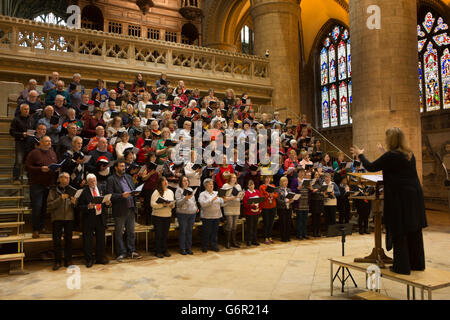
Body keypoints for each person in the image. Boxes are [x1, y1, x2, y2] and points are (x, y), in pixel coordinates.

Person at [351, 127, 427, 275]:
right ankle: (417, 264)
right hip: (414, 196)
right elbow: (396, 165)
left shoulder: (391, 156)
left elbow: (371, 167)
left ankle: (402, 267)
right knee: (413, 230)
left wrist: (361, 155)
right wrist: (384, 153)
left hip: (400, 197)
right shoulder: (408, 154)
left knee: (400, 229)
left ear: (390, 140)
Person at [106, 161, 142, 261]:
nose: (124, 168)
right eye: (121, 166)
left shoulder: (129, 177)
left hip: (131, 208)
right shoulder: (111, 179)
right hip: (120, 209)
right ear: (116, 168)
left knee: (131, 232)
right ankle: (121, 252)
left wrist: (136, 193)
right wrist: (121, 196)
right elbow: (110, 195)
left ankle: (132, 251)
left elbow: (132, 189)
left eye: (124, 166)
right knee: (119, 233)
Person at [25, 136, 58, 238]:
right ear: (41, 142)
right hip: (36, 185)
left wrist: (56, 169)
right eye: (47, 141)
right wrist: (40, 169)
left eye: (50, 141)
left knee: (44, 208)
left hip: (48, 184)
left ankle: (42, 227)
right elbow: (27, 167)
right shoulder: (34, 153)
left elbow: (55, 164)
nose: (49, 143)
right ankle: (35, 229)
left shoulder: (52, 153)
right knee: (37, 207)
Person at [77, 174, 110, 267]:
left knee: (101, 239)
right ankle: (89, 259)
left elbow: (105, 203)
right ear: (87, 182)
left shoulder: (101, 188)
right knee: (88, 241)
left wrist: (107, 203)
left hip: (100, 217)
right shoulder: (84, 192)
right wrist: (87, 206)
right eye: (91, 181)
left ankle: (100, 258)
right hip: (89, 219)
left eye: (94, 180)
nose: (93, 183)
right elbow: (78, 207)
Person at [47, 172, 76, 270]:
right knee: (57, 241)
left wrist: (74, 202)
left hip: (69, 218)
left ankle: (68, 260)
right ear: (59, 179)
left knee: (69, 240)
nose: (66, 180)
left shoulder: (72, 190)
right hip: (57, 218)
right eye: (64, 178)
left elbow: (76, 205)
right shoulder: (53, 190)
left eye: (68, 178)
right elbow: (49, 205)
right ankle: (57, 261)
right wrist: (60, 198)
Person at [151, 176, 175, 258]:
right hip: (158, 216)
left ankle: (164, 250)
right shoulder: (156, 192)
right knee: (159, 234)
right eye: (163, 181)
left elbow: (173, 203)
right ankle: (158, 251)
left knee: (165, 234)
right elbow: (153, 204)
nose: (166, 182)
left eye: (166, 180)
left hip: (167, 215)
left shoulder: (170, 191)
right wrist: (162, 205)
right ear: (160, 183)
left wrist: (172, 205)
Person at [10, 103, 33, 183]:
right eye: (25, 109)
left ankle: (29, 179)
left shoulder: (31, 119)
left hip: (29, 142)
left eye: (28, 109)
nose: (27, 111)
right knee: (19, 161)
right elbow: (12, 132)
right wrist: (22, 134)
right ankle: (16, 178)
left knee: (29, 161)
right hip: (20, 142)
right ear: (21, 110)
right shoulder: (16, 119)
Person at [198, 178, 223, 252]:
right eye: (209, 184)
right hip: (207, 216)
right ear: (205, 186)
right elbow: (203, 204)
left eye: (212, 184)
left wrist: (225, 199)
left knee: (214, 232)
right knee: (206, 232)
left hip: (216, 215)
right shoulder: (202, 194)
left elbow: (221, 203)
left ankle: (214, 245)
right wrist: (212, 199)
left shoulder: (216, 193)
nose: (211, 185)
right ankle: (204, 246)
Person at [175, 176, 198, 255]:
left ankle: (188, 248)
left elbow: (194, 201)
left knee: (189, 231)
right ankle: (182, 248)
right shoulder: (179, 190)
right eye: (184, 181)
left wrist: (196, 207)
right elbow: (178, 203)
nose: (186, 182)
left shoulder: (190, 189)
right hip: (182, 214)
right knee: (183, 231)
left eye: (187, 180)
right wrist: (186, 198)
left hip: (192, 213)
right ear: (181, 182)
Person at [222, 173, 242, 249]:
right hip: (228, 207)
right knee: (229, 224)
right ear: (229, 178)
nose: (234, 179)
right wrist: (232, 198)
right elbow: (223, 197)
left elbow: (239, 196)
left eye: (235, 177)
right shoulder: (225, 186)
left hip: (236, 207)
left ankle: (234, 241)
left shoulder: (238, 186)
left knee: (235, 225)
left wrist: (241, 196)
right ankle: (227, 242)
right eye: (232, 177)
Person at [290, 169, 310, 239]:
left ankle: (304, 233)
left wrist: (310, 188)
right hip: (299, 202)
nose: (302, 174)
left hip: (306, 202)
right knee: (299, 219)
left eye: (303, 172)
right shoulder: (295, 180)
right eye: (301, 172)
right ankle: (299, 234)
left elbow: (309, 191)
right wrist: (298, 188)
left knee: (305, 219)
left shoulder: (306, 180)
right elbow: (292, 190)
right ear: (298, 173)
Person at [259, 175, 278, 245]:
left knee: (271, 222)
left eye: (269, 178)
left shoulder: (272, 185)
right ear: (264, 179)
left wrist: (273, 195)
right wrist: (268, 195)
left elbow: (276, 195)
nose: (267, 179)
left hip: (272, 206)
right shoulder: (262, 187)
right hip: (265, 207)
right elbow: (261, 197)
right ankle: (265, 237)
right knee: (266, 222)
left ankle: (270, 236)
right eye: (266, 178)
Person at [243, 179, 262, 246]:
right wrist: (250, 205)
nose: (251, 186)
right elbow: (245, 204)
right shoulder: (246, 193)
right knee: (249, 227)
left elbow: (260, 201)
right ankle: (249, 240)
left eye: (252, 184)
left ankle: (254, 240)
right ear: (248, 186)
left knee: (255, 227)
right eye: (250, 185)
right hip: (249, 213)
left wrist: (260, 209)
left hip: (256, 212)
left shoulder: (257, 191)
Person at [276, 177, 294, 242]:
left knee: (288, 223)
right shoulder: (278, 190)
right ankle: (283, 237)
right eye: (284, 181)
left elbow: (291, 197)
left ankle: (287, 236)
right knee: (283, 223)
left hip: (289, 208)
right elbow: (278, 200)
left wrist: (292, 200)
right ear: (281, 182)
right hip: (282, 208)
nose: (285, 182)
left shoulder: (289, 189)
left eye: (286, 181)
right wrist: (285, 202)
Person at [310, 170, 324, 237]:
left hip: (320, 200)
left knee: (319, 217)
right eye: (315, 175)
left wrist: (318, 191)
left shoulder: (320, 182)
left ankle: (319, 231)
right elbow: (311, 191)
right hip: (314, 200)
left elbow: (322, 189)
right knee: (314, 217)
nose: (317, 176)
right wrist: (318, 191)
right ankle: (314, 231)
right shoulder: (311, 182)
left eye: (318, 175)